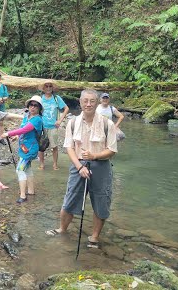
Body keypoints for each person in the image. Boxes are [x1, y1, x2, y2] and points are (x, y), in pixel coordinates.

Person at [46, 89, 117, 249]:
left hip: (102, 166)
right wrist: (79, 167)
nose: (88, 104)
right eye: (85, 100)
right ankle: (62, 229)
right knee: (70, 199)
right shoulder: (72, 123)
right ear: (80, 102)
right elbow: (69, 148)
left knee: (101, 201)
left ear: (97, 102)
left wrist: (94, 156)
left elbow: (112, 150)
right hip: (78, 165)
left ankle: (94, 237)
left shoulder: (107, 124)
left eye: (92, 101)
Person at [0, 95, 43, 203]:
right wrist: (16, 136)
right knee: (27, 168)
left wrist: (8, 133)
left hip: (30, 149)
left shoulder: (37, 119)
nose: (33, 107)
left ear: (39, 108)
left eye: (35, 105)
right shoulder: (27, 116)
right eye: (31, 105)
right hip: (24, 148)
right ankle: (31, 191)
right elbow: (22, 130)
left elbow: (25, 129)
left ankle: (23, 196)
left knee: (19, 169)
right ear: (28, 106)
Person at [38, 80, 69, 171]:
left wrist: (60, 120)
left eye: (50, 86)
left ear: (52, 88)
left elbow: (66, 108)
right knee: (41, 146)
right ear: (43, 88)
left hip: (53, 126)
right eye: (46, 86)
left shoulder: (56, 98)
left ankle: (55, 164)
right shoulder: (40, 99)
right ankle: (42, 163)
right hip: (42, 126)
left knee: (54, 146)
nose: (48, 88)